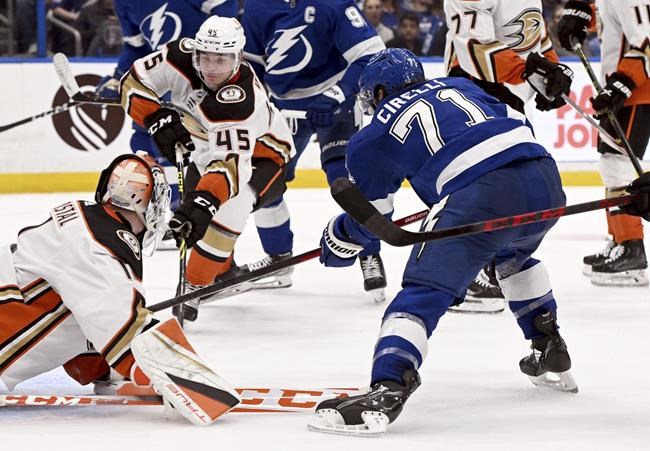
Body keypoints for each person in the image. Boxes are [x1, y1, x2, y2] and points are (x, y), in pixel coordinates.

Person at [307, 49, 577, 436]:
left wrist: (339, 240)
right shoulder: (464, 85)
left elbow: (373, 218)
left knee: (424, 289)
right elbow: (514, 130)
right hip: (544, 179)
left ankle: (388, 386)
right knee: (511, 257)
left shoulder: (373, 132)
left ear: (379, 91)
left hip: (479, 194)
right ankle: (548, 344)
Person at [0, 152, 240, 425]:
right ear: (148, 203)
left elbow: (80, 317)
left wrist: (105, 367)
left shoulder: (81, 219)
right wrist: (195, 387)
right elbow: (125, 330)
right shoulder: (100, 249)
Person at [119, 16, 295, 322]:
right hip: (206, 150)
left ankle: (195, 284)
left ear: (238, 58)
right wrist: (154, 116)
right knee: (197, 216)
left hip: (260, 157)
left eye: (222, 60)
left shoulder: (242, 100)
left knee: (226, 211)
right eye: (205, 58)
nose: (211, 67)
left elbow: (230, 170)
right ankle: (224, 273)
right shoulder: (180, 56)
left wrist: (205, 202)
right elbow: (132, 84)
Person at [241, 0, 388, 302]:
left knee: (344, 180)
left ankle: (369, 252)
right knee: (266, 181)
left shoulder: (333, 4)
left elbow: (370, 53)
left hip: (334, 104)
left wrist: (336, 94)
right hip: (283, 108)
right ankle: (278, 260)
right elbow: (252, 65)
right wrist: (253, 103)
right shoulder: (257, 6)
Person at [442, 0, 574, 312]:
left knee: (517, 186)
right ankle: (461, 277)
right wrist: (526, 71)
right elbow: (472, 45)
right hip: (472, 93)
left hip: (509, 97)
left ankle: (490, 264)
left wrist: (549, 77)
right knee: (480, 186)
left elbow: (533, 35)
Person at [96, 0, 238, 220]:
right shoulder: (126, 3)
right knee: (143, 140)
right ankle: (163, 211)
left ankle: (189, 211)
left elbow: (227, 22)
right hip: (162, 82)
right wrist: (118, 77)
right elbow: (137, 49)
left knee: (192, 149)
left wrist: (214, 73)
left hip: (203, 81)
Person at [557, 0, 650, 286]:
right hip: (626, 89)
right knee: (612, 165)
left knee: (617, 166)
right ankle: (619, 239)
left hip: (637, 92)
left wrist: (623, 83)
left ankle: (631, 247)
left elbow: (646, 40)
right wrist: (584, 18)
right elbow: (617, 24)